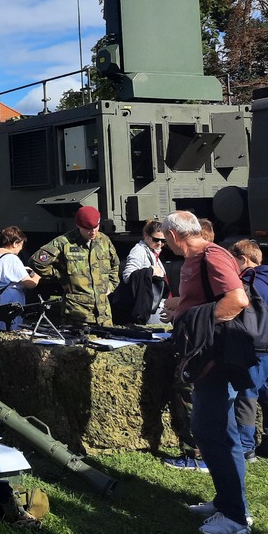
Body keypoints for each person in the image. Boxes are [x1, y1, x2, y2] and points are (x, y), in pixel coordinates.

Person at [161, 211, 251, 534]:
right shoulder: (195, 258)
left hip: (215, 361)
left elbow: (236, 300)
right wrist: (180, 306)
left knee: (213, 433)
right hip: (205, 362)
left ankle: (235, 519)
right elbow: (204, 300)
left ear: (173, 236)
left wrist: (195, 319)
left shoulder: (211, 256)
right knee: (215, 433)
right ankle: (228, 502)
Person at [29, 205, 119, 327]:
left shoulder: (104, 240)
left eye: (95, 227)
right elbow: (37, 262)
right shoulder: (64, 242)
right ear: (78, 225)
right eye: (87, 228)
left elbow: (114, 265)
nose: (92, 232)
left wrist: (110, 285)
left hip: (104, 315)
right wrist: (59, 275)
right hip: (77, 314)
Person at [227, 240, 268, 463]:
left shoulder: (246, 282)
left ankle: (245, 445)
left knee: (247, 396)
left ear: (243, 259)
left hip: (255, 348)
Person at [0, 226, 39, 330]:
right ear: (15, 243)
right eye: (21, 245)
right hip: (8, 301)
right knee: (9, 330)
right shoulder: (12, 259)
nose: (21, 249)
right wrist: (37, 275)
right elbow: (30, 284)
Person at [113, 219, 169, 325]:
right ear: (146, 236)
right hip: (148, 306)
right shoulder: (139, 251)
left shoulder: (152, 251)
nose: (160, 244)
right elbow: (128, 275)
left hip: (156, 304)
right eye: (156, 239)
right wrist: (150, 271)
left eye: (163, 241)